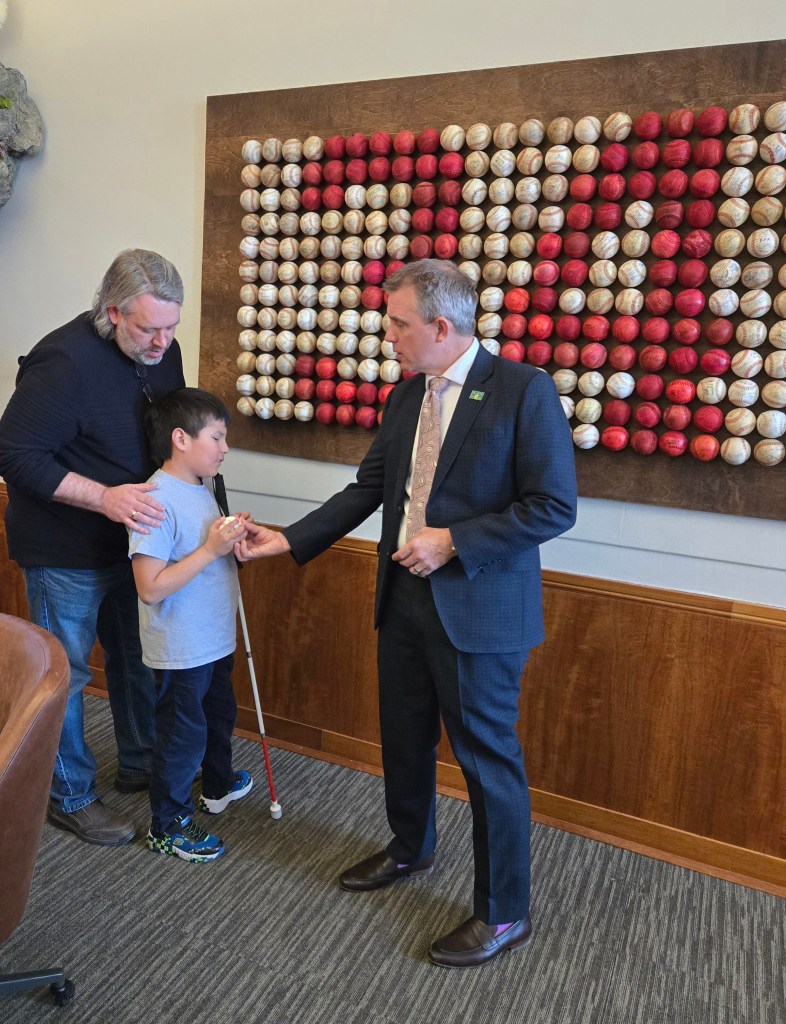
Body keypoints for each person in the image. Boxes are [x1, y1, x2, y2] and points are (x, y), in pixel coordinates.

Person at [238, 259, 577, 968]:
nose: (387, 333)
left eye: (397, 322)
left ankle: (504, 912)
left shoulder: (523, 391)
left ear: (440, 326)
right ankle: (409, 847)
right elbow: (368, 488)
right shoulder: (405, 397)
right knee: (403, 738)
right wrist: (290, 539)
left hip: (479, 610)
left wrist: (454, 540)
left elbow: (553, 507)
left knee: (488, 764)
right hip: (403, 599)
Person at [0, 249, 185, 846]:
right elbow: (14, 456)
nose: (163, 342)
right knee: (68, 674)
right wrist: (104, 497)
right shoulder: (63, 363)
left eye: (171, 326)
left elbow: (169, 438)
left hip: (134, 545)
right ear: (113, 312)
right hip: (65, 548)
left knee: (136, 657)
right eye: (148, 328)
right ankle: (68, 794)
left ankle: (138, 761)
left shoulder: (164, 352)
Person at [129, 388, 253, 862]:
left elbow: (207, 556)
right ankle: (167, 824)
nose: (224, 448)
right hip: (182, 646)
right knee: (182, 735)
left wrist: (231, 541)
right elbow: (150, 587)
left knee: (219, 716)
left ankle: (217, 782)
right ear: (180, 438)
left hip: (215, 637)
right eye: (217, 437)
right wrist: (209, 550)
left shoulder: (203, 487)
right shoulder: (154, 500)